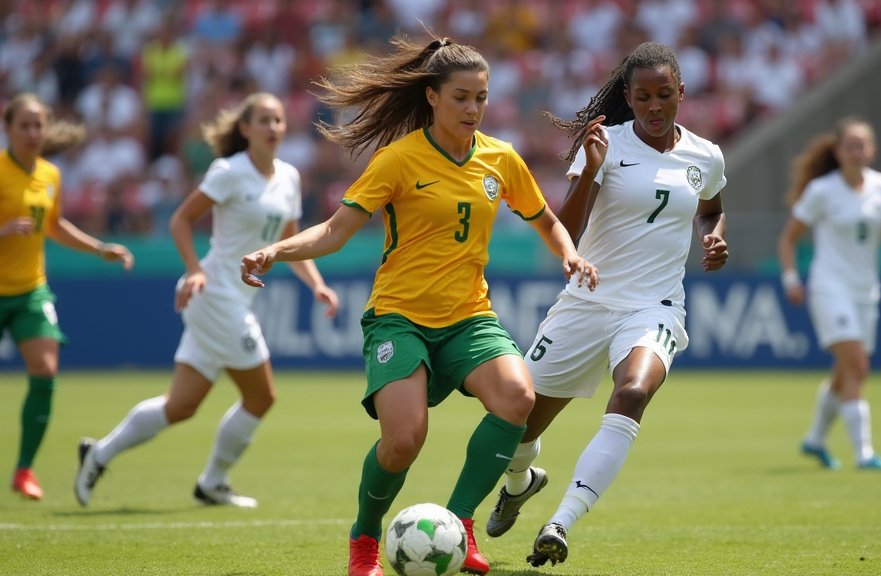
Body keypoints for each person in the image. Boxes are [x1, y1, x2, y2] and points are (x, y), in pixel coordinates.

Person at [239, 35, 598, 576]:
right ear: (431, 97)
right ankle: (364, 539)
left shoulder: (501, 159)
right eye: (460, 97)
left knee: (517, 398)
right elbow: (335, 232)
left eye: (480, 97)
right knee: (403, 441)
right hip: (399, 318)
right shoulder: (399, 160)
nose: (473, 109)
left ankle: (459, 524)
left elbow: (545, 219)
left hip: (469, 317)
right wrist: (275, 250)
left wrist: (569, 254)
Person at [483, 41, 729, 567]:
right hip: (587, 302)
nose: (655, 106)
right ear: (628, 96)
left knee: (635, 390)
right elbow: (564, 234)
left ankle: (561, 522)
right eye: (644, 97)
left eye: (665, 95)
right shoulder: (603, 145)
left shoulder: (705, 156)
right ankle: (520, 481)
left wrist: (712, 236)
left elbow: (710, 209)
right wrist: (591, 169)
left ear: (682, 93)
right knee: (517, 424)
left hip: (654, 307)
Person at [74, 92, 339, 508]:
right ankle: (212, 482)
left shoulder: (289, 176)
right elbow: (181, 220)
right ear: (245, 129)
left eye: (279, 120)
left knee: (180, 406)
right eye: (264, 120)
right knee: (262, 396)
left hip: (232, 300)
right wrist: (195, 269)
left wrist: (317, 284)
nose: (273, 127)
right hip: (215, 294)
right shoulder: (228, 171)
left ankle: (99, 453)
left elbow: (289, 243)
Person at [776, 117, 881, 472]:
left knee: (846, 371)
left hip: (866, 292)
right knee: (858, 366)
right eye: (851, 145)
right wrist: (790, 280)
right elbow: (788, 239)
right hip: (830, 287)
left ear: (872, 151)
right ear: (838, 151)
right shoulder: (822, 191)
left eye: (863, 146)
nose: (857, 152)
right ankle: (864, 454)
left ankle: (815, 439)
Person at [1, 93, 135, 500]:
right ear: (8, 128)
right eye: (24, 125)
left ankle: (24, 469)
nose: (32, 132)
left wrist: (99, 247)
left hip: (29, 290)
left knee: (45, 370)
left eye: (38, 125)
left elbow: (54, 226)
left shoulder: (50, 175)